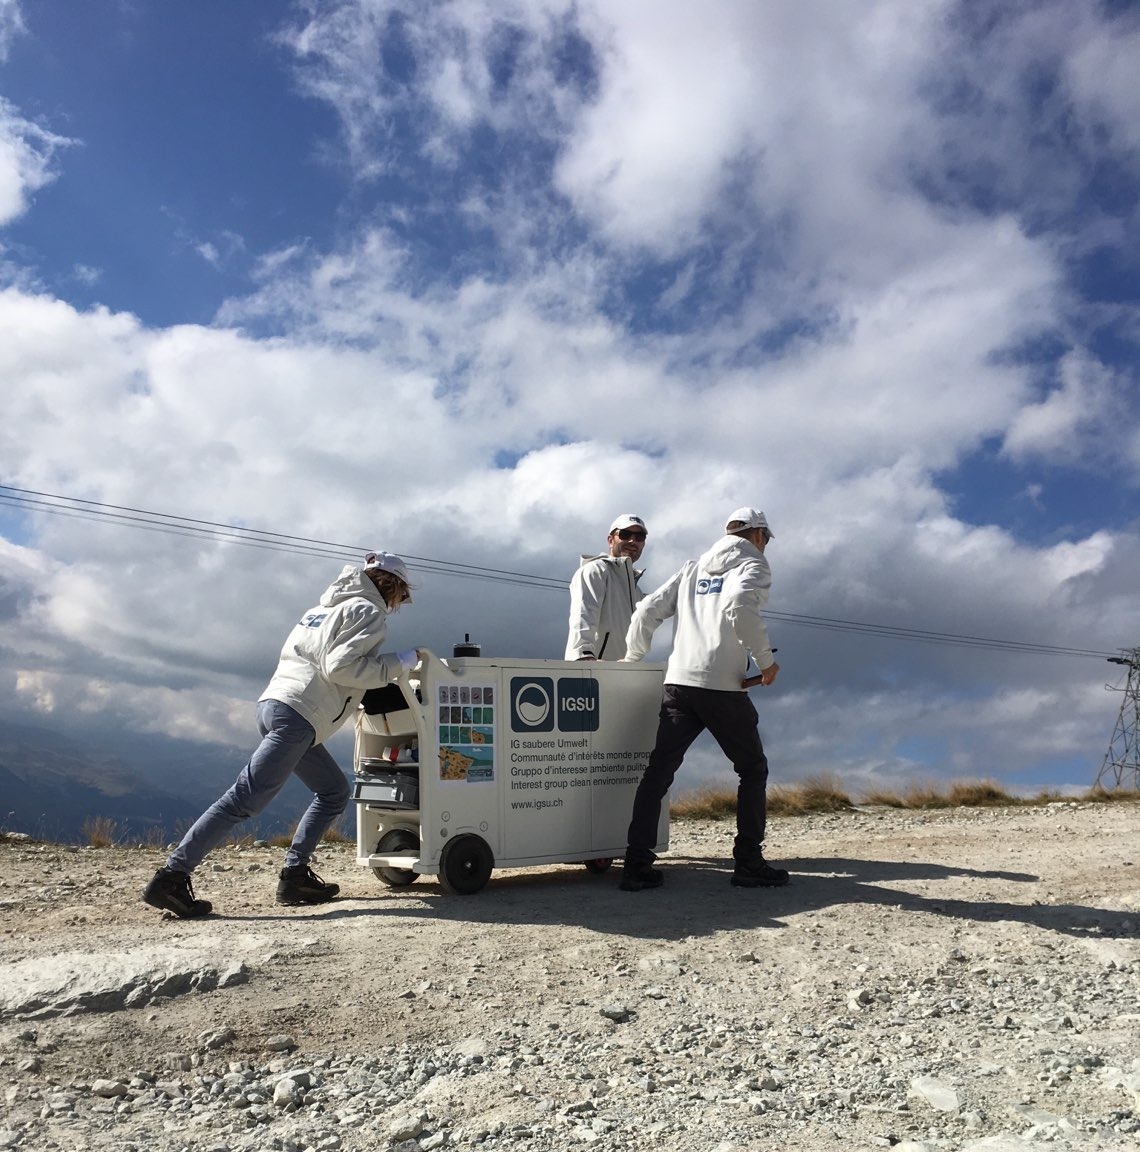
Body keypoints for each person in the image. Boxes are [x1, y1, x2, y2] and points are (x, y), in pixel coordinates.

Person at [143, 552, 421, 918]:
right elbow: (341, 666)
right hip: (298, 717)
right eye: (402, 596)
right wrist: (400, 662)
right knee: (243, 800)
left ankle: (295, 876)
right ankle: (171, 877)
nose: (399, 604)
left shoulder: (322, 609)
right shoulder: (367, 611)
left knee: (334, 791)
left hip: (276, 705)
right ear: (393, 586)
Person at [618, 507, 788, 892]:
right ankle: (748, 864)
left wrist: (633, 657)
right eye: (767, 540)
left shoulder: (693, 567)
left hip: (678, 684)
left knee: (658, 774)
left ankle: (636, 866)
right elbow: (741, 607)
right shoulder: (754, 566)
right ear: (759, 535)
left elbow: (646, 611)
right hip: (723, 688)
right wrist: (766, 662)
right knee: (752, 769)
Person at [565, 513, 648, 661]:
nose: (632, 540)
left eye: (639, 537)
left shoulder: (637, 590)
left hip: (625, 673)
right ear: (611, 540)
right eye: (625, 534)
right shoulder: (595, 570)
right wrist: (583, 657)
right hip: (593, 671)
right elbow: (583, 615)